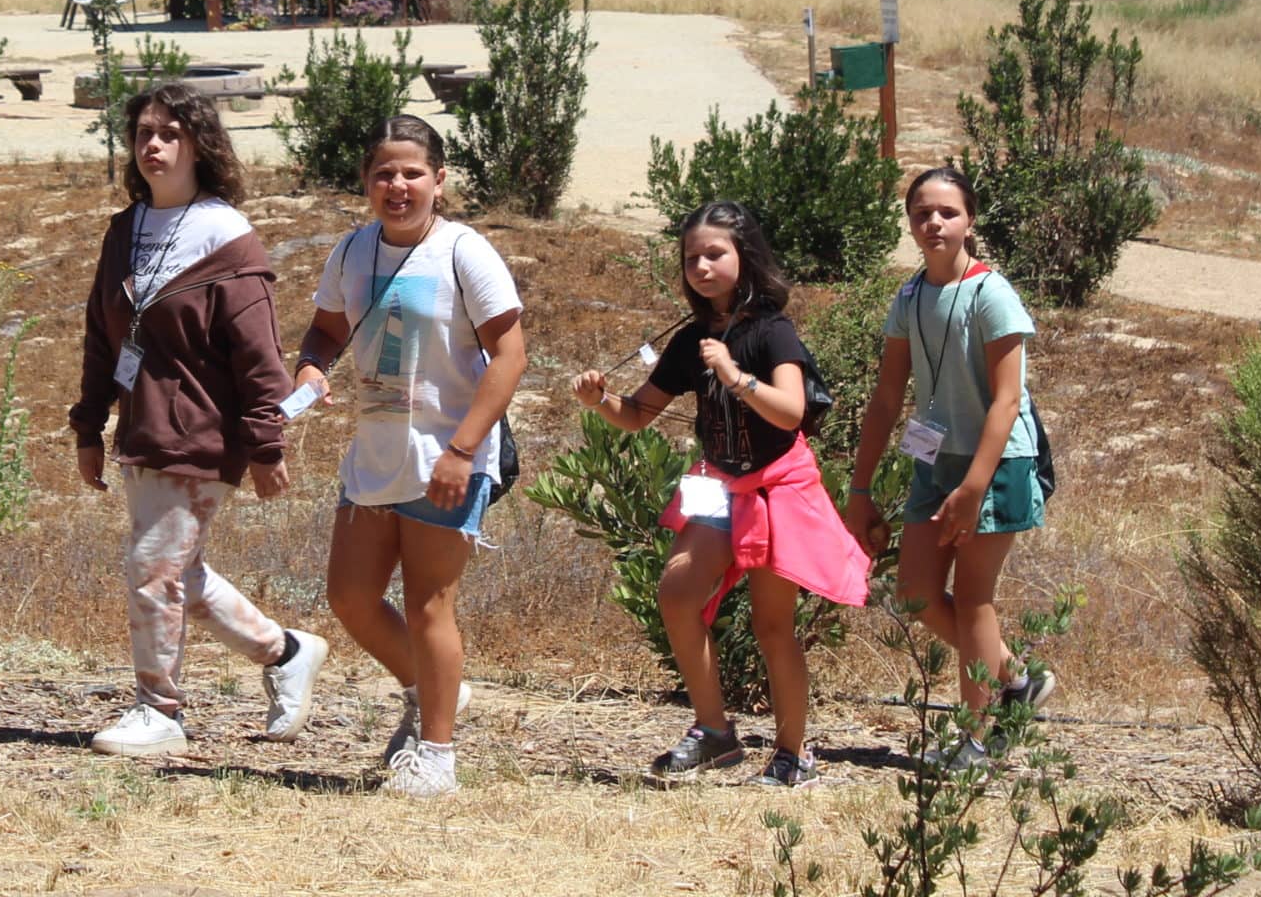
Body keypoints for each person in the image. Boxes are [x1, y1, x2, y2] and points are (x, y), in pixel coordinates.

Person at [570, 202, 868, 791]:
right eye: (691, 258)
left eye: (714, 254)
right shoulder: (689, 339)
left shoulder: (772, 331)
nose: (701, 267)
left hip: (777, 484)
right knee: (678, 592)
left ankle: (791, 753)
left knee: (771, 624)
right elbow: (637, 416)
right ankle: (715, 733)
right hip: (719, 483)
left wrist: (736, 377)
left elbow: (792, 412)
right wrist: (600, 400)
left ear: (745, 258)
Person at [69, 84, 327, 759]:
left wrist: (266, 445)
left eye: (169, 134)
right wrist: (88, 426)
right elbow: (102, 336)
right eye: (143, 133)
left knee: (154, 568)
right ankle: (287, 651)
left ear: (199, 147)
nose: (152, 145)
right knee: (173, 569)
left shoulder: (226, 237)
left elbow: (258, 354)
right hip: (143, 427)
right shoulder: (125, 231)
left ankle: (160, 712)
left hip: (206, 429)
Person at [290, 116, 525, 799]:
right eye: (384, 173)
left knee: (429, 606)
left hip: (448, 455)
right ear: (366, 182)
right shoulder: (352, 251)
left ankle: (437, 755)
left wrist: (462, 449)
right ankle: (429, 695)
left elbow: (511, 355)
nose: (398, 186)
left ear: (440, 181)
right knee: (351, 596)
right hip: (377, 451)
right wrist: (310, 368)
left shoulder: (464, 253)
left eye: (412, 173)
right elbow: (326, 328)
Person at [841, 167, 1056, 770]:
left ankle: (979, 740)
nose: (934, 223)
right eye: (921, 214)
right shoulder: (909, 297)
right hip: (935, 460)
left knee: (973, 601)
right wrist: (860, 490)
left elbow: (1008, 399)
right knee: (913, 593)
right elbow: (887, 398)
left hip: (996, 462)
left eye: (947, 212)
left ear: (970, 220)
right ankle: (1016, 681)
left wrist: (974, 485)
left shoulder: (992, 294)